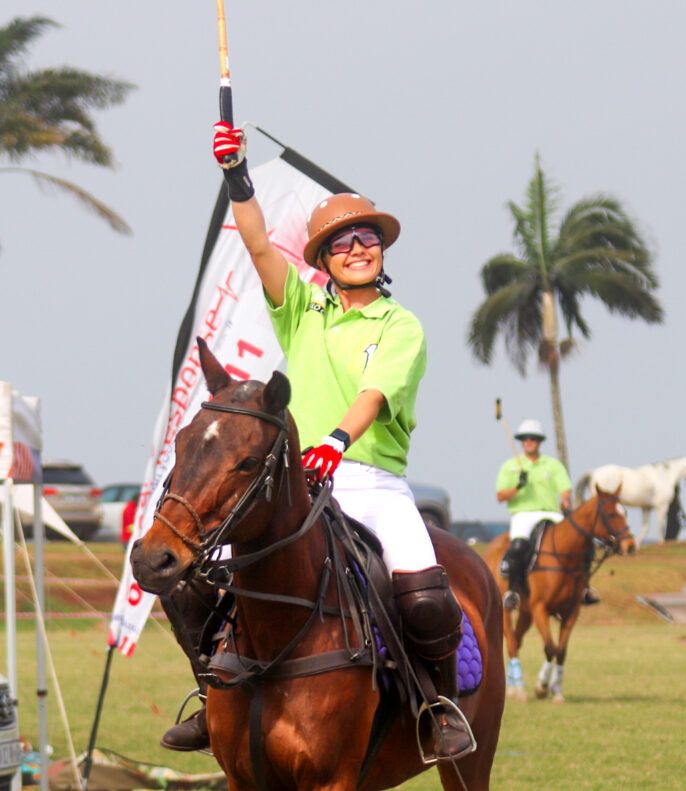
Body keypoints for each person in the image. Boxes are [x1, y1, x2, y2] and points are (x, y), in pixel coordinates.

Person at [159, 122, 474, 762]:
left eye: (368, 239)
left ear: (381, 252)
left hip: (374, 483)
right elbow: (256, 244)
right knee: (191, 585)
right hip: (298, 483)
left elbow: (374, 394)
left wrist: (335, 438)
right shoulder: (302, 311)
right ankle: (210, 695)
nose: (359, 248)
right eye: (343, 243)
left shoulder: (400, 325)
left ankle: (437, 708)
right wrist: (236, 176)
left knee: (425, 594)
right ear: (324, 260)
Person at [494, 419, 599, 608]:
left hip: (551, 514)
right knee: (518, 547)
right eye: (525, 438)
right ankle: (512, 591)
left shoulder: (553, 465)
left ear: (539, 441)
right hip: (523, 514)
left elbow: (565, 489)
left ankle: (584, 588)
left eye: (533, 438)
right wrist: (518, 486)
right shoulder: (510, 466)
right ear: (521, 441)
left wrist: (566, 501)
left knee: (582, 543)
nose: (529, 441)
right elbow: (501, 496)